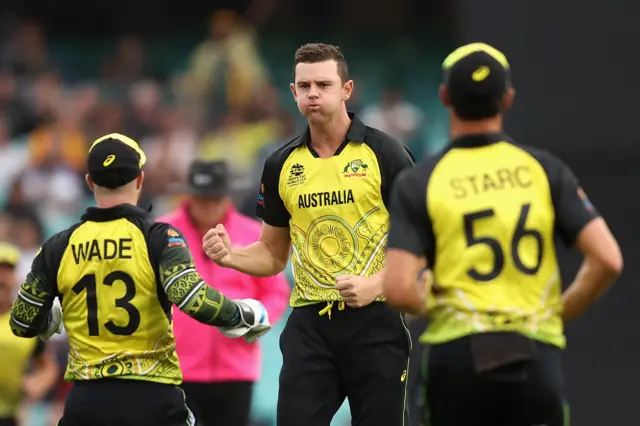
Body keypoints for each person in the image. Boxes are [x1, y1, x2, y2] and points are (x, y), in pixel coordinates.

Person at [382, 42, 623, 426]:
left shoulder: (420, 181)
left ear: (444, 97)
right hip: (533, 351)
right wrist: (560, 312)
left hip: (456, 356)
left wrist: (434, 301)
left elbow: (397, 289)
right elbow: (608, 260)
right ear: (508, 98)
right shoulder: (544, 170)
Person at [203, 43, 415, 426]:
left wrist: (374, 285)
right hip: (310, 327)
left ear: (346, 90)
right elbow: (272, 254)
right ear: (293, 92)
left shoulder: (385, 154)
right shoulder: (281, 163)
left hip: (376, 323)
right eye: (305, 86)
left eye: (323, 84)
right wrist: (229, 255)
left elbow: (421, 245)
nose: (313, 93)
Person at [8, 133, 272, 426]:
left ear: (90, 183)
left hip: (87, 400)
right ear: (140, 180)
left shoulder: (58, 246)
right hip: (154, 398)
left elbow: (21, 321)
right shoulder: (161, 237)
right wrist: (244, 314)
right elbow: (193, 299)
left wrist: (49, 320)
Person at [157, 159, 290, 426]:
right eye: (201, 199)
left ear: (227, 196)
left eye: (214, 199)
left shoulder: (254, 235)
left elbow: (276, 291)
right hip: (175, 367)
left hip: (236, 366)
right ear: (190, 196)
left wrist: (257, 320)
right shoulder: (161, 233)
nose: (208, 207)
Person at [0, 242, 58, 426]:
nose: (2, 278)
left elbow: (48, 366)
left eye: (7, 271)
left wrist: (37, 383)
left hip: (9, 416)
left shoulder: (25, 321)